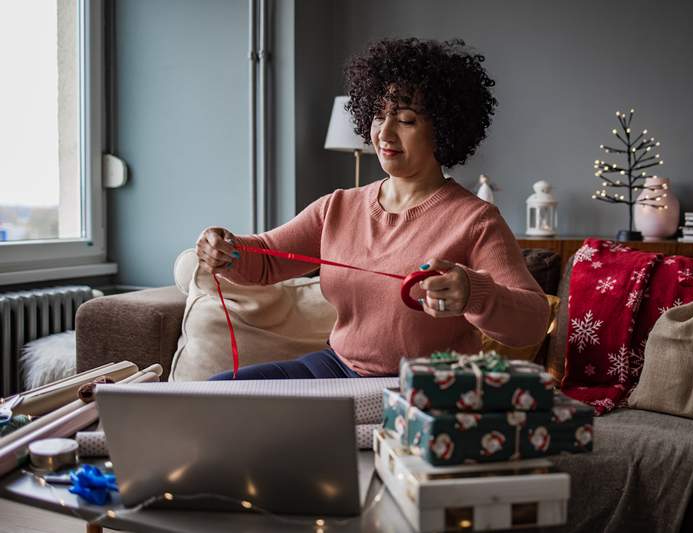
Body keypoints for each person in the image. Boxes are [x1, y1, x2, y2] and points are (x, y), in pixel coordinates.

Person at [198, 38, 549, 380]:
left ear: (443, 128)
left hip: (426, 386)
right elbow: (267, 259)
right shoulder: (338, 207)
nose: (385, 133)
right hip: (337, 367)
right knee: (221, 395)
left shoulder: (476, 220)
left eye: (406, 120)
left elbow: (532, 321)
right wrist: (225, 250)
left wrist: (474, 293)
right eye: (379, 116)